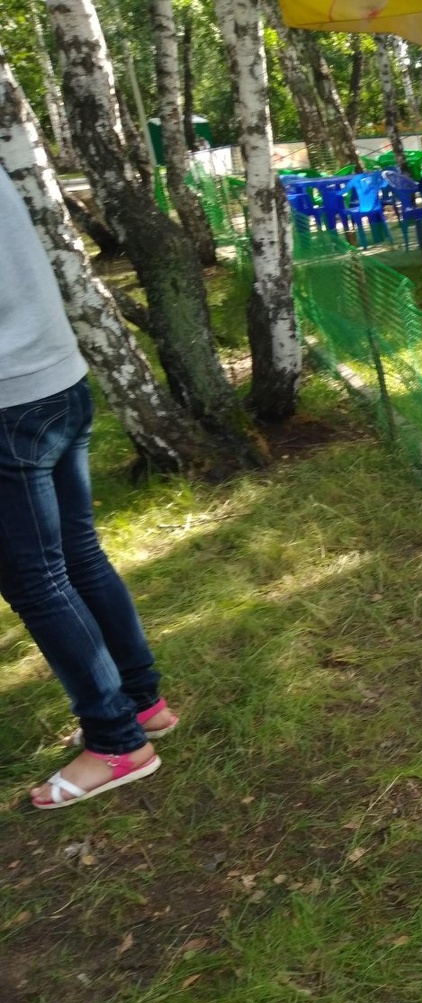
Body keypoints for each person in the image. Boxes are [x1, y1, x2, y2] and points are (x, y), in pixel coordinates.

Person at [0, 171, 177, 810]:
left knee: (37, 580)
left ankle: (116, 741)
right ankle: (142, 703)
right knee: (76, 555)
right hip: (55, 380)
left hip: (10, 400)